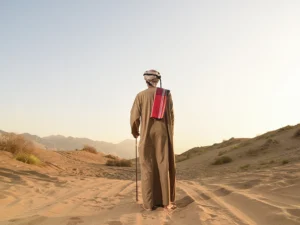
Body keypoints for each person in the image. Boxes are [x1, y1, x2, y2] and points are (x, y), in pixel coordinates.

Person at [130, 69, 176, 211]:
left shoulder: (140, 96)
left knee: (147, 167)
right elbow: (172, 117)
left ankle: (149, 204)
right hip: (163, 135)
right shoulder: (166, 94)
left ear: (146, 80)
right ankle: (166, 202)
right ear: (157, 80)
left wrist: (135, 131)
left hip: (146, 135)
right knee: (163, 165)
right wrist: (170, 135)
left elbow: (134, 117)